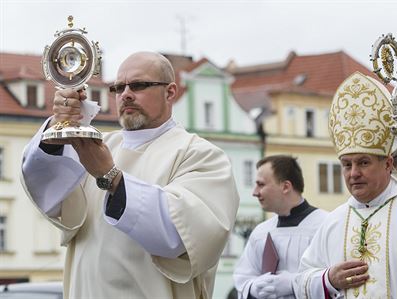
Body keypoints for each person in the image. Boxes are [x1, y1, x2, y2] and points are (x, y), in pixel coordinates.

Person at [20, 52, 240, 298]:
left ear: (170, 92)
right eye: (118, 87)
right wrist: (56, 129)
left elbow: (180, 236)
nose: (126, 94)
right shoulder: (98, 144)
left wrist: (110, 176)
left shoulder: (201, 155)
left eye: (138, 85)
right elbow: (49, 194)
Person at [294, 72, 397, 299]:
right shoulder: (334, 222)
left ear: (388, 164)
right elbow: (301, 280)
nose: (354, 173)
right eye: (346, 164)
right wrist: (328, 279)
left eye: (363, 162)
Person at [233, 155, 327, 299]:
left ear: (285, 187)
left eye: (261, 184)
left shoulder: (325, 225)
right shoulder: (261, 232)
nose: (255, 192)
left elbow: (335, 280)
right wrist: (253, 287)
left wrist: (294, 284)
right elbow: (243, 278)